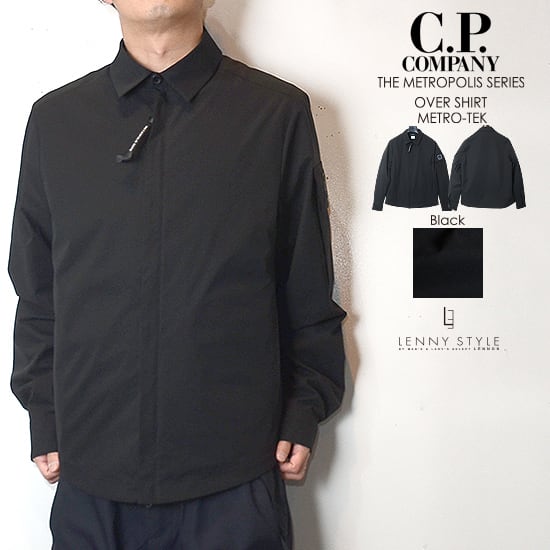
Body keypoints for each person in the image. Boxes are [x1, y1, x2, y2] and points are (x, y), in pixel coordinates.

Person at [7, 1, 346, 548]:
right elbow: (36, 290)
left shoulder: (275, 113)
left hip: (236, 476)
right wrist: (43, 411)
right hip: (91, 475)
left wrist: (304, 404)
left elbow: (305, 279)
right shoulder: (55, 120)